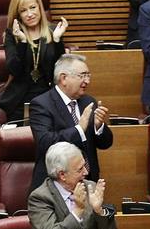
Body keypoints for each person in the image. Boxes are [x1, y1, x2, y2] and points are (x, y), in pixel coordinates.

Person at [28, 53, 112, 192]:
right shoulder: (41, 104)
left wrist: (99, 126)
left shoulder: (89, 102)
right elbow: (45, 142)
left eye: (88, 76)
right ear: (64, 78)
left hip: (88, 184)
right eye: (82, 75)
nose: (87, 81)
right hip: (55, 187)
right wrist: (79, 129)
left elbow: (105, 143)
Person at [0, 0, 69, 122]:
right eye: (23, 10)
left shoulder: (53, 30)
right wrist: (23, 42)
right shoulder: (12, 34)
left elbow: (60, 71)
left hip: (49, 97)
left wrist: (57, 40)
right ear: (18, 14)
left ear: (39, 8)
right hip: (20, 101)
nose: (29, 14)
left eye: (32, 7)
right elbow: (15, 70)